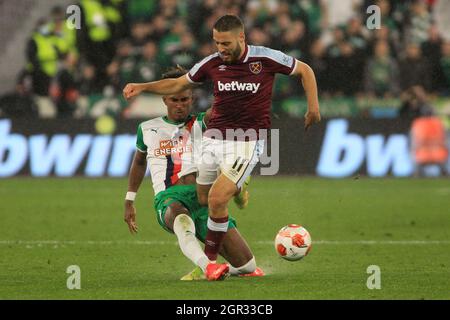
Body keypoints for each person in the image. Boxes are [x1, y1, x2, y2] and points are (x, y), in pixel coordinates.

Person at [123, 15, 321, 280]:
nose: (221, 48)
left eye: (225, 43)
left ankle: (208, 265)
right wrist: (142, 87)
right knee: (205, 197)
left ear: (241, 38)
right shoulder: (212, 63)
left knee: (216, 199)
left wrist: (313, 107)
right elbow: (179, 83)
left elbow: (305, 70)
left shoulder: (265, 58)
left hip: (247, 140)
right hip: (214, 139)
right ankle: (239, 187)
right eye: (217, 42)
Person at [123, 66, 264, 281]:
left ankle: (217, 266)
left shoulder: (201, 123)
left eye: (184, 100)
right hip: (170, 197)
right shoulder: (147, 128)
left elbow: (221, 108)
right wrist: (129, 200)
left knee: (247, 266)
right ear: (164, 100)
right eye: (174, 100)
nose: (179, 105)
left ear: (192, 99)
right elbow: (139, 162)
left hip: (204, 199)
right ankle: (207, 267)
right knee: (180, 219)